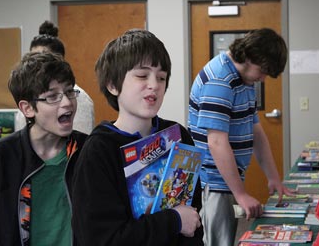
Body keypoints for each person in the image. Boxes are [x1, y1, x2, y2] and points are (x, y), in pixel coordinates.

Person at [71, 29, 204, 246]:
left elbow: (193, 221)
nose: (154, 84)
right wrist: (173, 221)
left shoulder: (178, 136)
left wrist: (183, 222)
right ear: (113, 85)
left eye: (161, 77)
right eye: (142, 75)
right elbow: (102, 238)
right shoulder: (98, 151)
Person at [188, 28, 295, 246]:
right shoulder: (220, 80)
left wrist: (273, 177)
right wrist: (241, 194)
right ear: (248, 56)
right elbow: (216, 142)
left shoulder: (243, 81)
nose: (263, 78)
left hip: (225, 180)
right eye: (263, 71)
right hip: (213, 182)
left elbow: (255, 131)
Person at [0, 52, 87, 245]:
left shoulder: (86, 150)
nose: (67, 102)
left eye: (69, 92)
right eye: (52, 97)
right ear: (27, 108)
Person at [15, 20, 95, 135]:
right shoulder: (29, 93)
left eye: (44, 59)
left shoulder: (79, 98)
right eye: (34, 58)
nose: (38, 64)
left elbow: (80, 142)